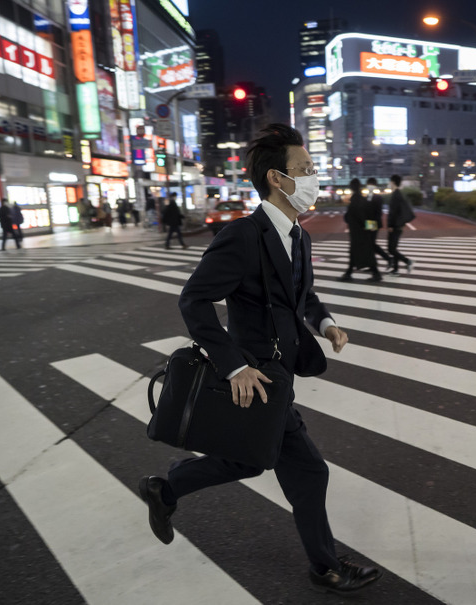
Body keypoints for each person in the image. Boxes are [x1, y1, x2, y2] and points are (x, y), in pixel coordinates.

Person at [138, 123, 381, 595]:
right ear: (277, 177)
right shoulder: (244, 236)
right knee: (304, 470)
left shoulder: (298, 237)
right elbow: (194, 300)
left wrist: (325, 321)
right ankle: (326, 566)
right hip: (254, 378)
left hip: (278, 376)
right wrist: (232, 364)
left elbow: (300, 295)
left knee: (251, 461)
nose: (314, 177)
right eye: (305, 169)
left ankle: (165, 489)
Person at [339, 178, 381, 282]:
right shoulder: (363, 199)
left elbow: (351, 217)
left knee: (363, 252)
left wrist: (349, 218)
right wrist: (370, 228)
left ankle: (375, 273)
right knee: (360, 252)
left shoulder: (354, 201)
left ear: (351, 188)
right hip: (363, 230)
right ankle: (349, 273)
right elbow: (368, 215)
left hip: (357, 231)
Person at [387, 174, 414, 274]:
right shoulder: (398, 194)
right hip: (398, 225)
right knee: (393, 248)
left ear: (393, 182)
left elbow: (393, 213)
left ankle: (407, 261)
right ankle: (396, 268)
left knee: (391, 249)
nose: (389, 184)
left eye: (390, 182)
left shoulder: (395, 195)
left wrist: (390, 225)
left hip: (395, 226)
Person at [365, 177, 392, 266]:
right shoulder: (367, 197)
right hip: (368, 223)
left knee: (371, 244)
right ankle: (372, 264)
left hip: (373, 224)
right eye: (369, 185)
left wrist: (373, 226)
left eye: (371, 185)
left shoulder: (377, 198)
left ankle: (387, 259)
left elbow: (378, 213)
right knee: (370, 245)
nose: (370, 187)